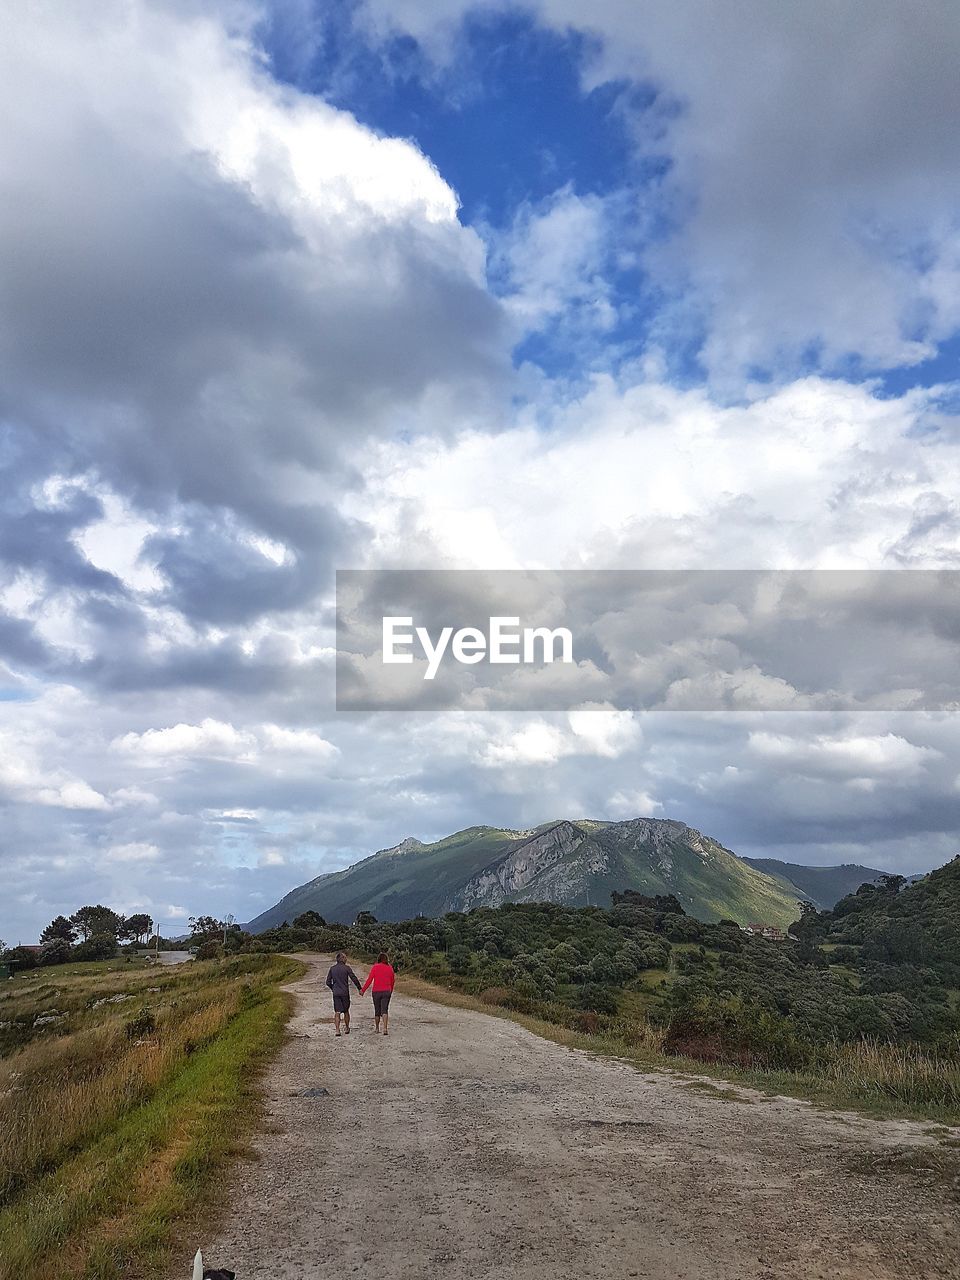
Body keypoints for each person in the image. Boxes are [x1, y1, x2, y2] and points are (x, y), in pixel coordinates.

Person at [325, 951, 362, 1036]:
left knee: (337, 1012)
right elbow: (354, 978)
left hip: (336, 992)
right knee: (346, 1011)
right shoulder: (347, 968)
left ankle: (337, 1030)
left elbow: (327, 982)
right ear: (341, 959)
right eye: (345, 957)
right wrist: (359, 988)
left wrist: (333, 988)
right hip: (345, 992)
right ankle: (347, 1027)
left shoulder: (332, 969)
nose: (346, 959)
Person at [361, 951, 396, 1035]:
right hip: (386, 991)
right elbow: (392, 980)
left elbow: (369, 980)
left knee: (377, 1010)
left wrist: (363, 990)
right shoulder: (390, 968)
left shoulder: (375, 967)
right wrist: (391, 990)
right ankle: (385, 1028)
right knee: (385, 1010)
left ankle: (377, 1028)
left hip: (376, 991)